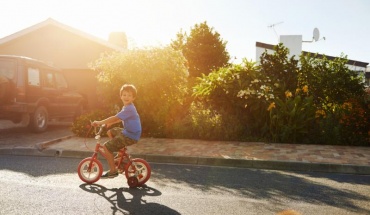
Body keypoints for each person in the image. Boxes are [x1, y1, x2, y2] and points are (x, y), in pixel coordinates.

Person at [92, 84, 142, 179]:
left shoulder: (129, 108)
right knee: (111, 132)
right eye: (124, 95)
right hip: (129, 132)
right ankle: (120, 155)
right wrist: (111, 123)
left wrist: (100, 122)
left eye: (129, 95)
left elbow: (115, 117)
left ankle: (113, 171)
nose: (126, 97)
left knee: (106, 147)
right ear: (121, 96)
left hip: (130, 135)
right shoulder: (127, 107)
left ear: (133, 98)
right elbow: (120, 118)